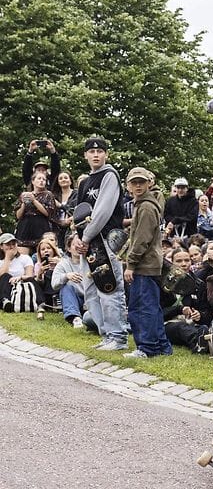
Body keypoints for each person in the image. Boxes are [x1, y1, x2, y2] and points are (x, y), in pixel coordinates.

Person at [69, 137, 129, 351]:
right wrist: (77, 237)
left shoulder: (110, 175)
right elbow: (79, 215)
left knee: (109, 286)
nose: (96, 155)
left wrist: (84, 238)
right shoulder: (85, 182)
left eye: (100, 151)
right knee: (91, 289)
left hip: (106, 240)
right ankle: (106, 334)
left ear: (106, 155)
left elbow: (103, 211)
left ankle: (118, 336)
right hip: (88, 243)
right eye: (91, 152)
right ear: (85, 155)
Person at [121, 167, 173, 358]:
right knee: (152, 307)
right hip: (150, 263)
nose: (137, 186)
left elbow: (142, 239)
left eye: (141, 182)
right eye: (134, 182)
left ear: (149, 183)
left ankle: (146, 348)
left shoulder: (145, 206)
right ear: (128, 186)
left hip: (144, 264)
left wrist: (131, 264)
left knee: (141, 308)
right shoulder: (145, 204)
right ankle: (161, 346)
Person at [15, 171, 56, 253]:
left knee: (42, 253)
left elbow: (48, 213)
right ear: (33, 181)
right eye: (39, 178)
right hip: (25, 227)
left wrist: (34, 200)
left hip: (41, 226)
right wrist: (23, 202)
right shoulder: (24, 195)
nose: (42, 181)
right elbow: (18, 216)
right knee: (23, 256)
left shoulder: (48, 194)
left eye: (44, 179)